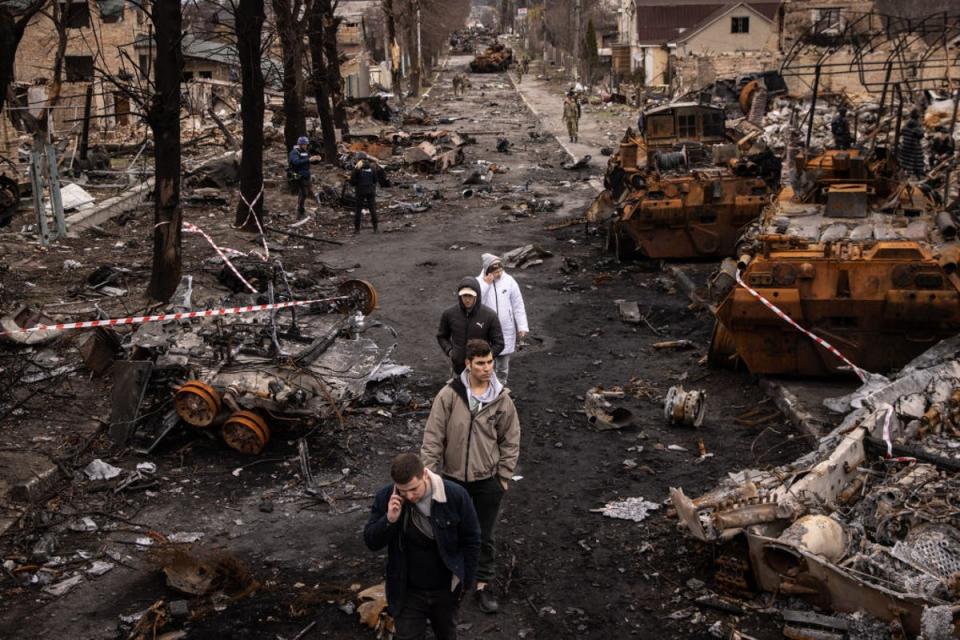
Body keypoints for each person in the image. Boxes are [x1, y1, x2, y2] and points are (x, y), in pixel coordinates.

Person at [421, 339, 521, 615]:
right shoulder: (450, 395)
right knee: (449, 530)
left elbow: (511, 440)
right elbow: (433, 437)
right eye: (481, 363)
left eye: (490, 362)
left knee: (483, 535)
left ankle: (481, 586)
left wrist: (503, 477)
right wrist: (430, 476)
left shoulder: (501, 398)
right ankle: (452, 582)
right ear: (468, 364)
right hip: (453, 480)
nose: (488, 368)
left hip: (487, 480)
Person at [364, 453, 481, 640]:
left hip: (445, 589)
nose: (409, 496)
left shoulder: (455, 495)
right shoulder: (386, 497)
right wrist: (389, 520)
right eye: (402, 491)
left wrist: (466, 581)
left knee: (447, 634)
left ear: (425, 475)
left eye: (413, 489)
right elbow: (371, 542)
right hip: (407, 590)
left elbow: (472, 540)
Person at [477, 253, 528, 385]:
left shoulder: (509, 281)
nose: (499, 273)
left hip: (506, 328)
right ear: (488, 271)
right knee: (487, 362)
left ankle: (501, 386)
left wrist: (522, 326)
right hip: (486, 330)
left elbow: (518, 304)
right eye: (496, 271)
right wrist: (486, 285)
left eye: (500, 270)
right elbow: (476, 304)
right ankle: (486, 386)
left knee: (503, 364)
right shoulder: (479, 282)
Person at [437, 277, 504, 375]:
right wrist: (451, 352)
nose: (467, 299)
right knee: (457, 390)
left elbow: (499, 343)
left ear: (477, 295)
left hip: (481, 371)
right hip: (458, 369)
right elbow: (442, 336)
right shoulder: (449, 314)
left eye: (470, 296)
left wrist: (485, 359)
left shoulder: (490, 315)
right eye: (464, 296)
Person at [349, 154, 389, 232]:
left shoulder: (357, 169)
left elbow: (352, 182)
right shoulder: (372, 168)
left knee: (358, 210)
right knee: (372, 209)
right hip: (370, 191)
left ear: (359, 160)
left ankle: (357, 229)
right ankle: (375, 228)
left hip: (360, 191)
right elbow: (375, 180)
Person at [288, 136, 313, 219]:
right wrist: (308, 160)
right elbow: (296, 162)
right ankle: (300, 211)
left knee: (304, 193)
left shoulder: (305, 151)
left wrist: (315, 160)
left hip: (306, 174)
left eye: (306, 144)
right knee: (304, 193)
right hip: (298, 175)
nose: (306, 146)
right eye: (304, 144)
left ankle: (301, 210)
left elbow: (307, 161)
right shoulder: (294, 152)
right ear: (300, 144)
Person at [898, 108, 926, 178]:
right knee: (916, 160)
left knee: (905, 160)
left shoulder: (907, 123)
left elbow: (902, 131)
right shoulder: (916, 125)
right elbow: (921, 135)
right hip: (913, 145)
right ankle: (916, 174)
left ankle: (904, 172)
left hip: (905, 144)